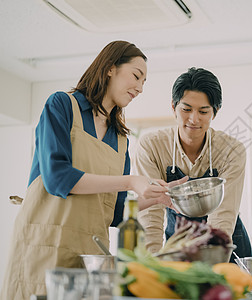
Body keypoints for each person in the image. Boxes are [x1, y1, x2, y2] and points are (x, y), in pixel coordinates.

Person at [0, 40, 180, 300]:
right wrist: (130, 181)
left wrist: (154, 199)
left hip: (90, 261)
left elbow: (114, 213)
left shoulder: (120, 140)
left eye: (144, 83)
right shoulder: (62, 106)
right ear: (110, 68)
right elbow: (57, 178)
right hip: (43, 252)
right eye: (136, 76)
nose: (140, 88)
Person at [134, 67, 252, 260]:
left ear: (215, 112)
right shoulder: (152, 146)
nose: (193, 119)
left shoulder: (232, 150)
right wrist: (151, 263)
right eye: (186, 109)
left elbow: (223, 215)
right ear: (174, 107)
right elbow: (151, 212)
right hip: (177, 242)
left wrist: (213, 262)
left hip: (224, 243)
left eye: (203, 111)